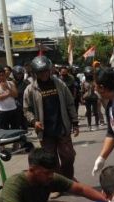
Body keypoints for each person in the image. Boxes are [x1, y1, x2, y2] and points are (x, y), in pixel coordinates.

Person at [23, 56, 79, 186]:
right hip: (45, 131)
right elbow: (26, 109)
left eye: (45, 71)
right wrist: (34, 121)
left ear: (50, 70)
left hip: (62, 127)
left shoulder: (59, 84)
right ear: (35, 73)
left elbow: (70, 103)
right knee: (51, 160)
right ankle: (57, 184)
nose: (43, 74)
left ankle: (68, 179)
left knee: (69, 157)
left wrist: (75, 122)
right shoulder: (30, 89)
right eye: (40, 72)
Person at [0, 65, 19, 130]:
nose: (1, 77)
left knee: (15, 129)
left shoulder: (11, 83)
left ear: (5, 75)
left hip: (13, 109)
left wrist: (7, 88)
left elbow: (16, 95)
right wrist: (9, 94)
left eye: (2, 75)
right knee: (4, 130)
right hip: (2, 111)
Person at [12, 65, 30, 131]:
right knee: (15, 126)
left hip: (24, 106)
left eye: (20, 74)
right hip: (13, 108)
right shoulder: (11, 83)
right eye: (17, 74)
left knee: (24, 125)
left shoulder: (26, 83)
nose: (18, 76)